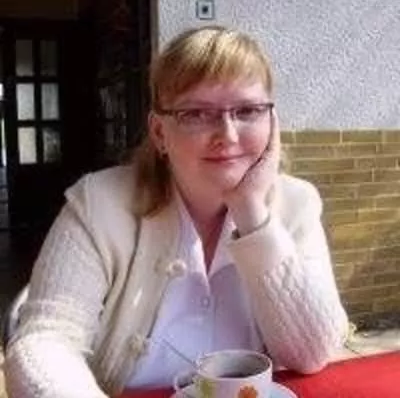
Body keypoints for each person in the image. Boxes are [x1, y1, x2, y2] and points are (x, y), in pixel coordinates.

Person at [5, 25, 349, 397]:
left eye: (248, 111)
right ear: (159, 133)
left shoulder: (297, 203)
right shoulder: (98, 204)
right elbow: (44, 341)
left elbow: (311, 355)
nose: (228, 135)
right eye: (197, 113)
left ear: (272, 122)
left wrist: (251, 211)